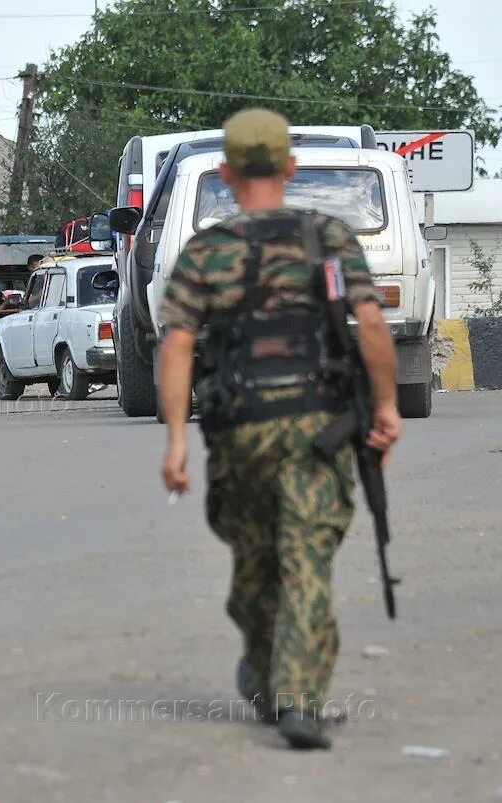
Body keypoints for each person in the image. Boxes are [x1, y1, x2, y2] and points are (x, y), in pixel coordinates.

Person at [157, 109, 402, 750]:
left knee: (264, 560)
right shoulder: (329, 237)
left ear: (224, 173)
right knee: (300, 561)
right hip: (317, 428)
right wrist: (386, 408)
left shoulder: (206, 250)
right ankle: (278, 685)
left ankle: (294, 697)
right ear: (291, 168)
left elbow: (177, 344)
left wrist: (177, 440)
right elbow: (371, 327)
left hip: (239, 431)